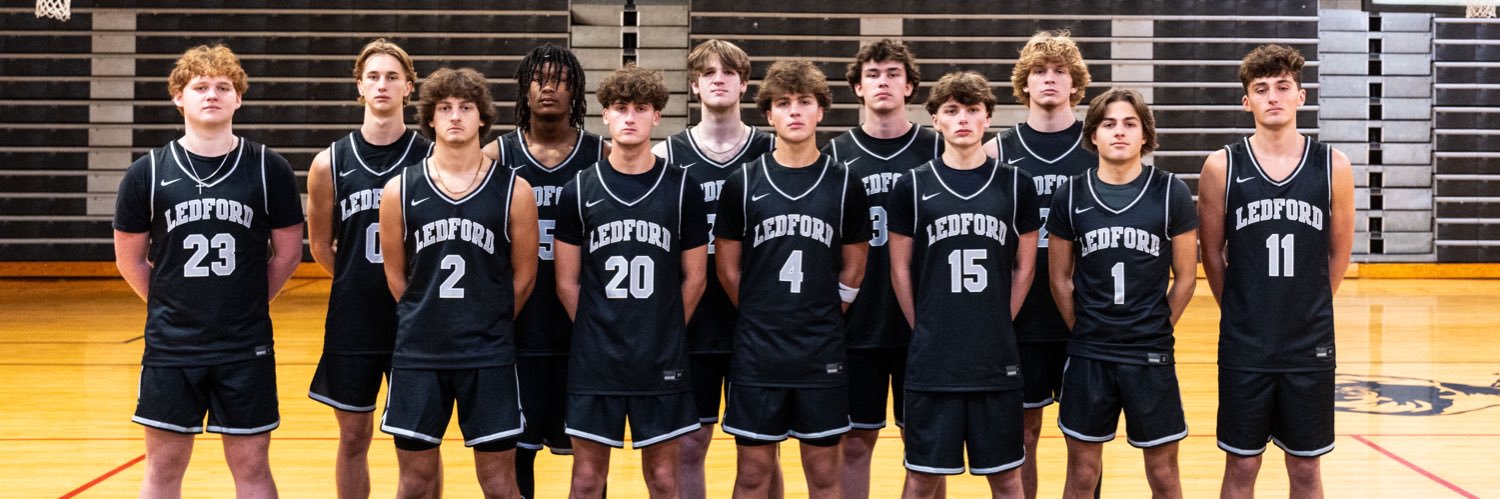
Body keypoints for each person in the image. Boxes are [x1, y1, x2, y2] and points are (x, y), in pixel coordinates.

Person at [112, 43, 304, 498]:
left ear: (239, 98)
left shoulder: (268, 168)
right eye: (200, 86)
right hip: (172, 345)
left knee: (253, 468)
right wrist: (171, 306)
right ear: (178, 97)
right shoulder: (147, 173)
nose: (211, 95)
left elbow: (288, 255)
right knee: (162, 470)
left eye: (223, 87)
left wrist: (248, 303)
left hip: (245, 344)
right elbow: (130, 259)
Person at [1199, 44, 1355, 499]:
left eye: (1283, 87)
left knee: (1306, 470)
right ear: (1246, 101)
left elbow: (1338, 253)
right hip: (1246, 343)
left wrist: (1308, 308)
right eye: (1260, 89)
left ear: (1301, 96)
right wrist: (1244, 310)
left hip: (1309, 343)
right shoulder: (1221, 166)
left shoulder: (1334, 166)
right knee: (1241, 466)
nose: (1273, 96)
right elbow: (1211, 253)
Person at [376, 67, 539, 498]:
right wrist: (423, 315)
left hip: (487, 353)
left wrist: (491, 322)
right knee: (415, 484)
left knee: (501, 484)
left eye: (466, 108)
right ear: (429, 117)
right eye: (445, 108)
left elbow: (524, 276)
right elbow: (396, 275)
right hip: (419, 353)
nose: (455, 117)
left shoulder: (514, 190)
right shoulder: (399, 190)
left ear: (482, 118)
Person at [714, 59, 870, 499]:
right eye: (784, 103)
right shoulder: (742, 182)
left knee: (823, 475)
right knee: (751, 476)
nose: (795, 111)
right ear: (768, 114)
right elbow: (728, 267)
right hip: (758, 350)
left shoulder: (844, 184)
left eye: (805, 102)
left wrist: (824, 311)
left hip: (820, 348)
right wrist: (761, 312)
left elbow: (855, 265)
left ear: (822, 110)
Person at [554, 64, 709, 498]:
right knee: (586, 481)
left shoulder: (682, 188)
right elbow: (566, 282)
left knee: (662, 479)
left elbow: (695, 278)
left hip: (660, 356)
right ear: (604, 114)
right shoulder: (580, 189)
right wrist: (594, 329)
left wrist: (663, 329)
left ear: (657, 116)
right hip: (595, 359)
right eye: (620, 108)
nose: (630, 117)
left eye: (641, 108)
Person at [888, 71, 1040, 498]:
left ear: (988, 117)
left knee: (1007, 479)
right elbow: (900, 269)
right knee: (921, 478)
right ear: (935, 119)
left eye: (973, 110)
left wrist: (996, 321)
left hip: (995, 358)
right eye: (951, 111)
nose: (963, 120)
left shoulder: (1015, 184)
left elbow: (1024, 268)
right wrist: (926, 326)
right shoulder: (912, 185)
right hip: (933, 360)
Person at [1046, 88, 1198, 499]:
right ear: (1092, 135)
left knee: (1164, 474)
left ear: (1145, 135)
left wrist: (1158, 324)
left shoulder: (1171, 192)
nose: (1119, 132)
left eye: (1130, 123)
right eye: (1108, 124)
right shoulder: (1071, 194)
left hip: (1149, 352)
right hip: (1090, 352)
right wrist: (1082, 328)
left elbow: (1186, 277)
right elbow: (1059, 278)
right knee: (1081, 474)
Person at [650, 39, 779, 499]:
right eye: (708, 73)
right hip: (694, 318)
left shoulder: (772, 150)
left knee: (765, 448)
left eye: (727, 73)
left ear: (744, 84)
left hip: (759, 316)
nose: (718, 79)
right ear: (694, 85)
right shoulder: (667, 156)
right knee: (690, 444)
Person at [305, 38, 432, 498]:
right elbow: (320, 245)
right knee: (354, 436)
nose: (383, 84)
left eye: (392, 76)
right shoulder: (329, 163)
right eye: (373, 76)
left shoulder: (430, 158)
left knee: (417, 443)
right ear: (359, 86)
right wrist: (358, 278)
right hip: (354, 318)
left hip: (416, 319)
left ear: (409, 88)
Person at [481, 43, 606, 498]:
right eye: (538, 78)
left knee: (592, 456)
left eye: (560, 78)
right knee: (517, 451)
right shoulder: (496, 157)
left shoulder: (602, 155)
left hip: (584, 330)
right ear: (523, 89)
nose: (548, 87)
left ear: (576, 89)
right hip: (518, 329)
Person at [821, 40, 942, 497]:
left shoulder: (937, 148)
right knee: (855, 443)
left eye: (893, 73)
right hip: (858, 323)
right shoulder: (836, 154)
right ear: (857, 87)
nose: (883, 82)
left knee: (928, 448)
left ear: (910, 86)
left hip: (925, 322)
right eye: (872, 74)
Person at [982, 30, 1095, 499]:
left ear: (1076, 84)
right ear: (1023, 84)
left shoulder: (1098, 146)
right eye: (1039, 72)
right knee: (1023, 433)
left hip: (1085, 315)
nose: (1049, 79)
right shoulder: (996, 153)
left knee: (1083, 439)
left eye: (1059, 72)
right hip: (1021, 316)